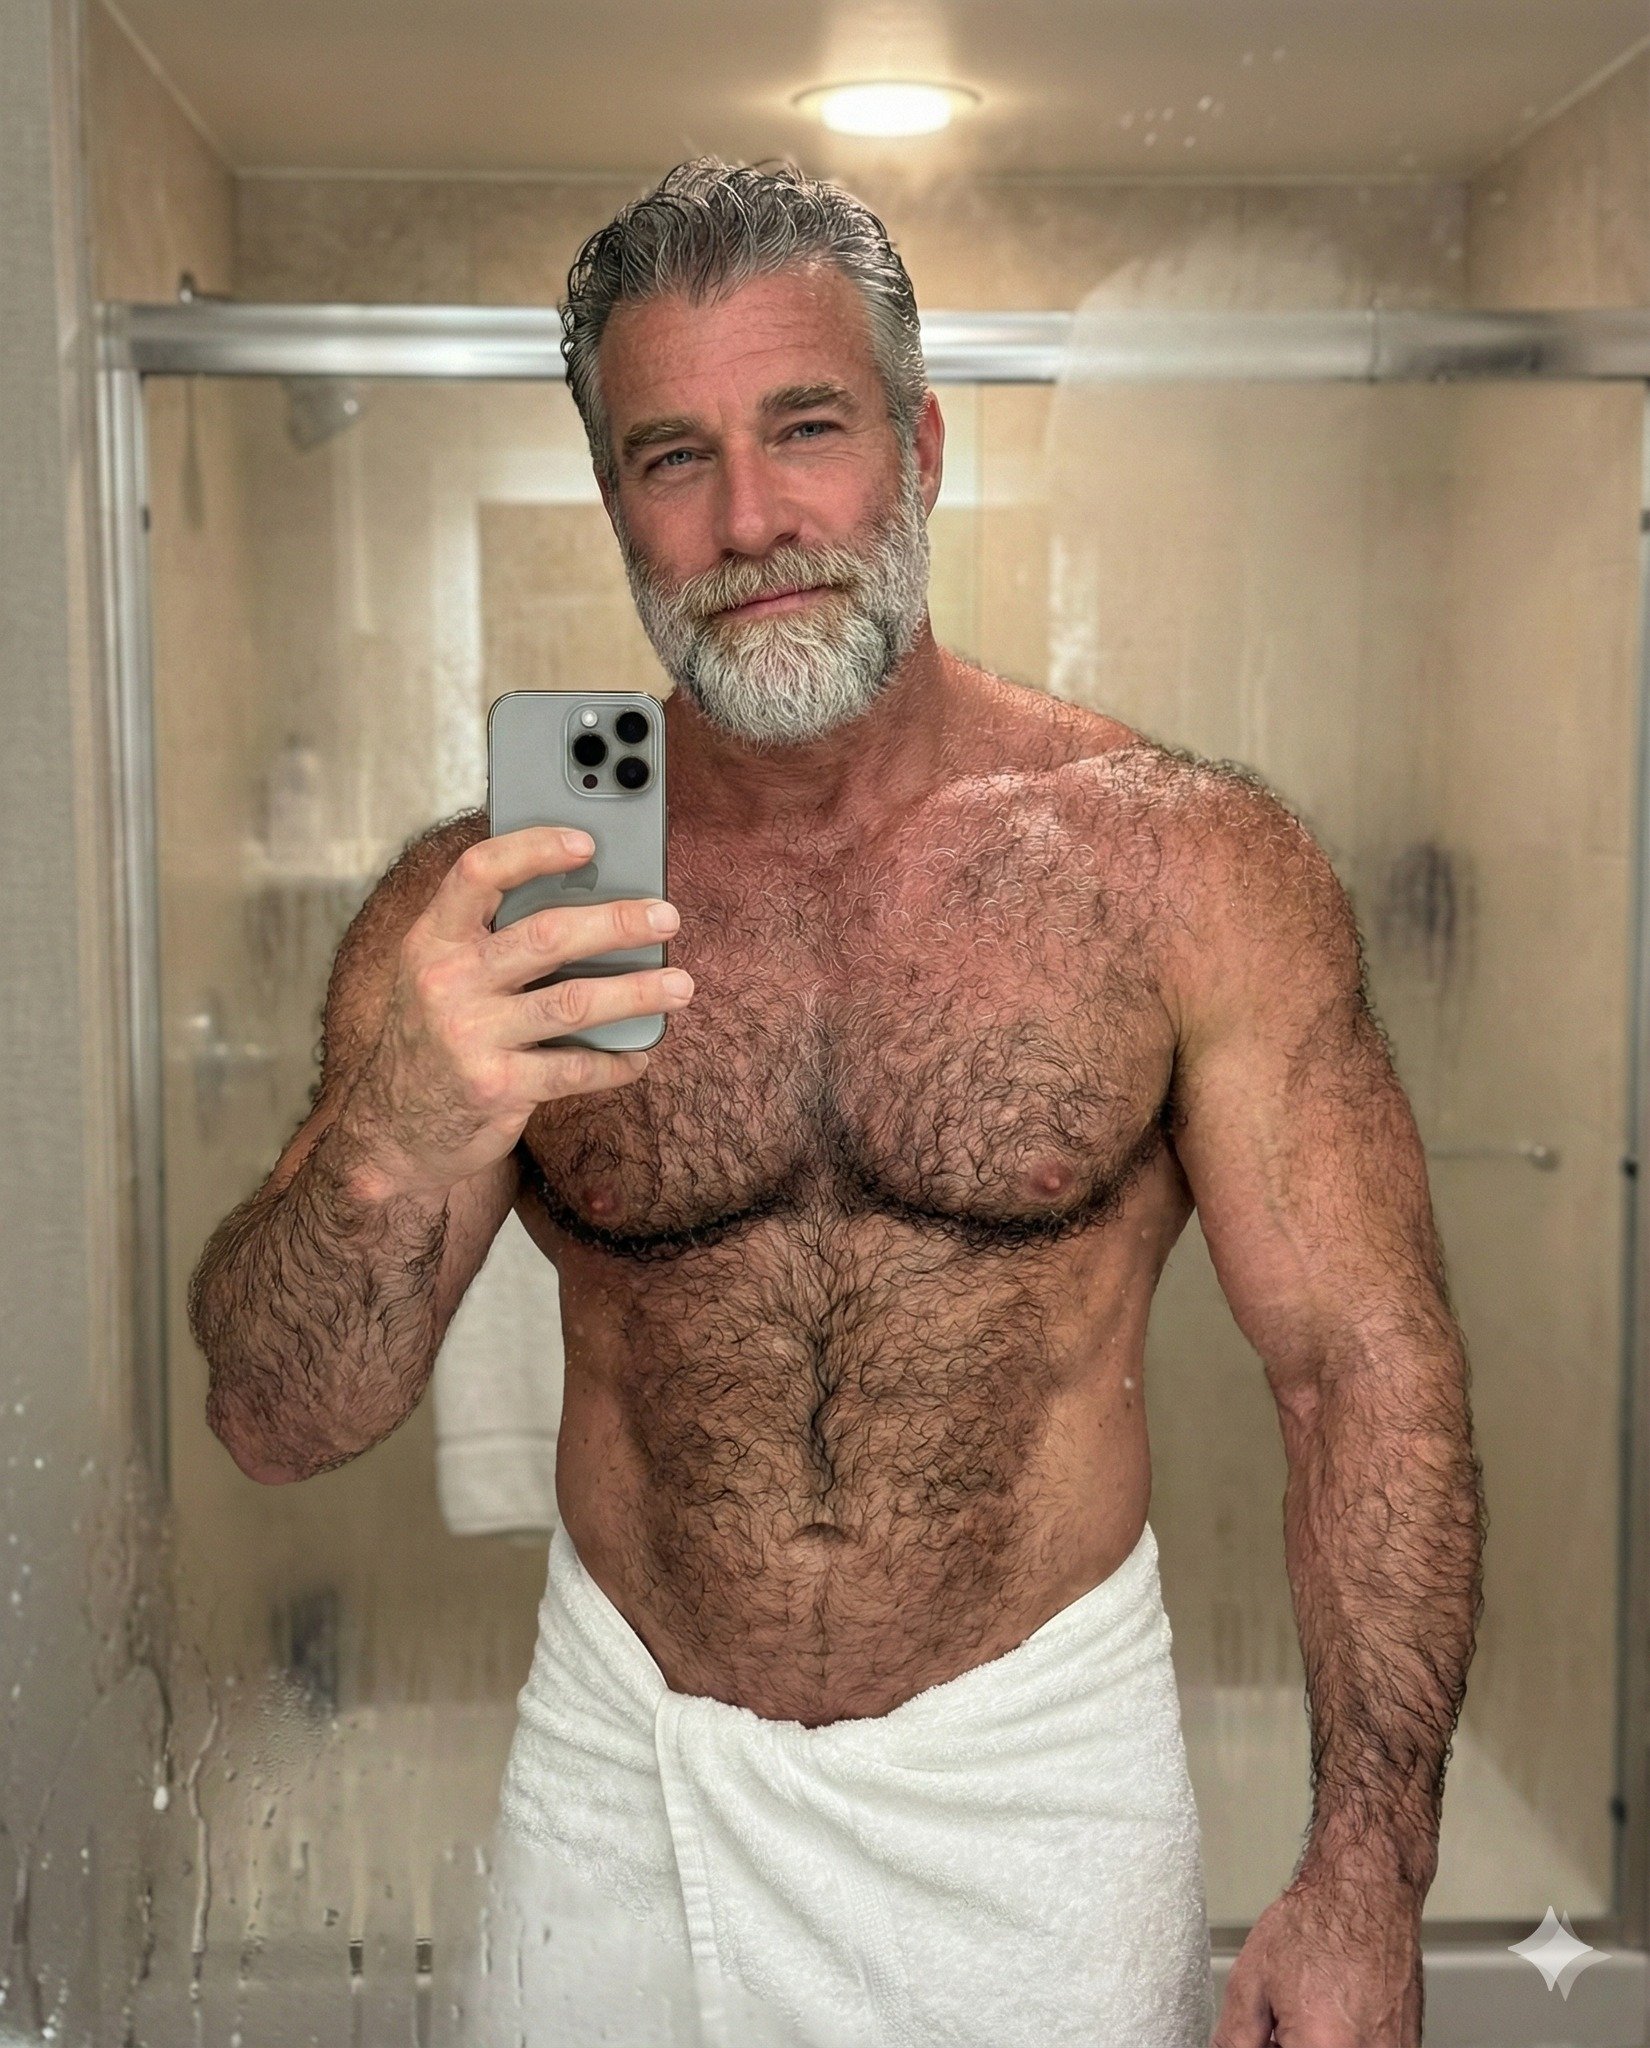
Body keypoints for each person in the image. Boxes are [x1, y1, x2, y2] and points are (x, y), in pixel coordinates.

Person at [188, 158, 1485, 2048]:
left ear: (921, 447)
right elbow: (275, 1422)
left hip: (1032, 1792)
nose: (750, 519)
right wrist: (396, 1131)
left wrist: (1367, 1873)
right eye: (672, 456)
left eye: (806, 427)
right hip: (624, 1784)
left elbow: (1361, 1372)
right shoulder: (485, 916)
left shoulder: (1182, 874)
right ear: (616, 503)